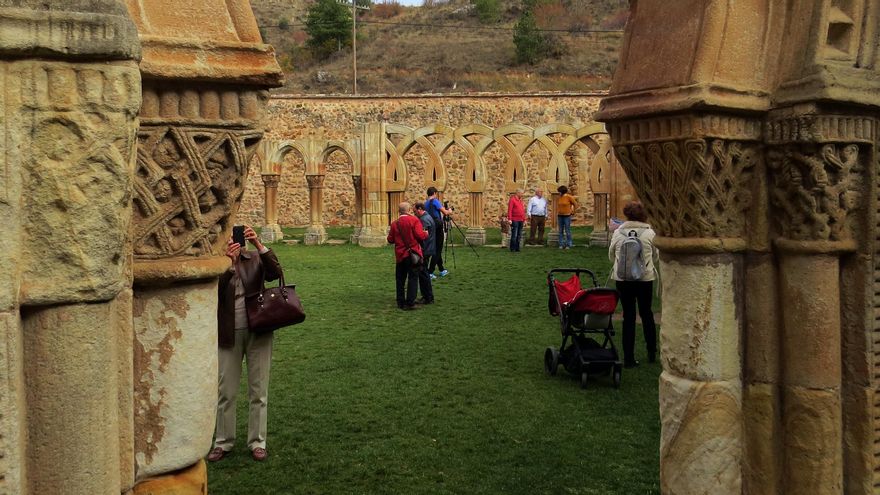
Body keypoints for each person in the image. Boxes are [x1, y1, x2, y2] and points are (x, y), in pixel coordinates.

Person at [208, 225, 283, 463]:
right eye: (231, 238)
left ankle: (257, 442)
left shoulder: (256, 259)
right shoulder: (218, 264)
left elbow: (276, 272)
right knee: (225, 392)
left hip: (258, 330)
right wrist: (229, 266)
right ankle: (223, 442)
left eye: (239, 237)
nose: (236, 242)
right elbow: (213, 293)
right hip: (228, 333)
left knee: (258, 391)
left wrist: (260, 245)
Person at [609, 202, 659, 368]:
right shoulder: (649, 233)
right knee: (646, 313)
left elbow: (611, 254)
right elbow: (656, 255)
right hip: (645, 279)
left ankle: (628, 357)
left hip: (623, 279)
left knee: (628, 316)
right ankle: (651, 350)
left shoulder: (618, 232)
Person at [388, 202, 428, 310]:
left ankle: (400, 302)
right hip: (412, 254)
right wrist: (426, 233)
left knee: (400, 279)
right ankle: (410, 302)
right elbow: (420, 235)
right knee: (413, 278)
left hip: (400, 255)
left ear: (399, 211)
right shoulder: (414, 220)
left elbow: (390, 240)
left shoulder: (394, 224)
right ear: (409, 210)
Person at [425, 187, 453, 279]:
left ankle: (441, 269)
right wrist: (450, 211)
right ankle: (430, 271)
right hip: (437, 226)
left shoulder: (426, 203)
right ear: (434, 193)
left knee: (435, 247)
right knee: (437, 249)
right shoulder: (435, 201)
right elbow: (445, 212)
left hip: (430, 226)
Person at [413, 202, 436, 304]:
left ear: (419, 209)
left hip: (425, 250)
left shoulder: (423, 220)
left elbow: (423, 236)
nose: (414, 214)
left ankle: (428, 297)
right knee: (424, 273)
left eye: (415, 212)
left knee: (423, 274)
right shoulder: (428, 217)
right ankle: (426, 296)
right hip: (429, 248)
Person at [556, 185, 578, 249]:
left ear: (562, 191)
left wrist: (573, 211)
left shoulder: (569, 197)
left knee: (567, 230)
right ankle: (561, 244)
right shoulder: (559, 197)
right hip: (560, 216)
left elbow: (575, 204)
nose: (558, 193)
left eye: (559, 191)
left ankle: (569, 244)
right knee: (560, 230)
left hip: (567, 216)